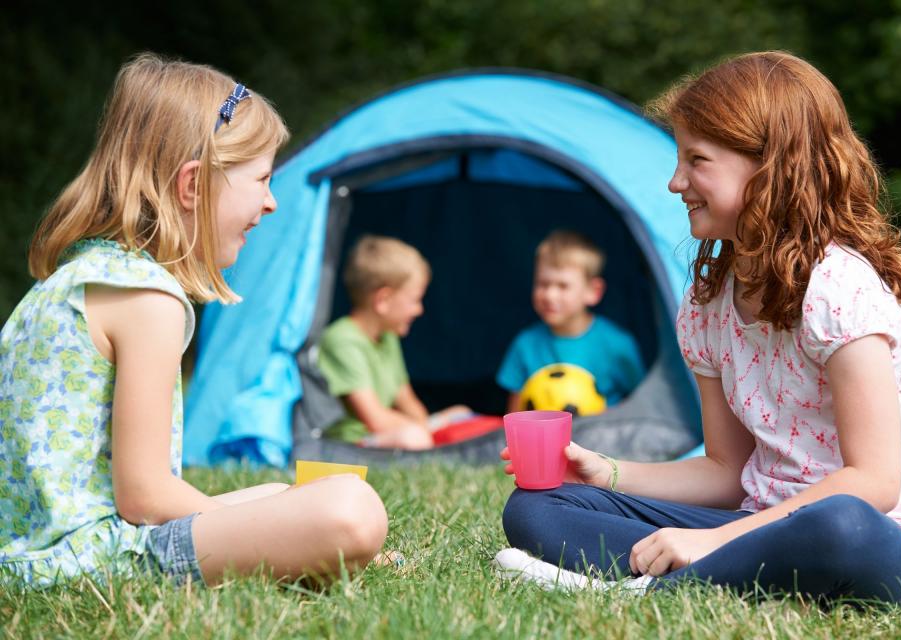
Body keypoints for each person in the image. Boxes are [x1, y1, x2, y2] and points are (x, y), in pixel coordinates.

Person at [494, 51, 901, 609]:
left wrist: (715, 539)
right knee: (535, 507)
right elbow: (727, 473)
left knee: (841, 525)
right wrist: (607, 472)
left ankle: (643, 590)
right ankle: (704, 575)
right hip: (755, 520)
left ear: (770, 167)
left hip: (881, 548)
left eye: (697, 160)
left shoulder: (840, 291)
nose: (675, 182)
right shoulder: (709, 301)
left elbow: (875, 483)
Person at [0, 54, 388, 588]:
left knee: (284, 496)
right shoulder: (147, 299)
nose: (272, 202)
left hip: (37, 551)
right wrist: (258, 536)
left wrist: (271, 520)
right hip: (86, 564)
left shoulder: (78, 277)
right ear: (193, 187)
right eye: (261, 179)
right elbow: (146, 497)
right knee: (350, 508)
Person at [317, 235, 470, 450]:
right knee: (414, 437)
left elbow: (407, 401)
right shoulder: (343, 340)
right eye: (415, 300)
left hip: (394, 430)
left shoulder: (388, 337)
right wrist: (424, 430)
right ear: (383, 300)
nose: (419, 310)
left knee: (460, 412)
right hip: (355, 442)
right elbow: (375, 420)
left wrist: (426, 424)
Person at [496, 230, 644, 413]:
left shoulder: (618, 345)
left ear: (593, 291)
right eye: (543, 284)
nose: (550, 295)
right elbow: (515, 417)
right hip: (541, 440)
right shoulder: (525, 345)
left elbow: (640, 404)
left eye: (562, 286)